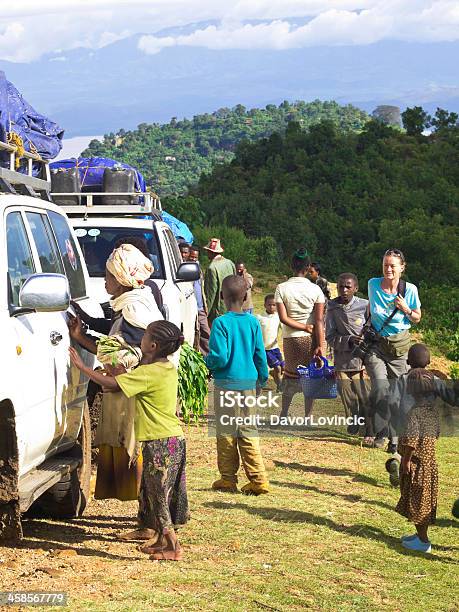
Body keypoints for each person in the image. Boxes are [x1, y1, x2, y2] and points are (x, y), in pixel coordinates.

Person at [70, 320, 188, 561]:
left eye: (144, 335)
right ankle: (159, 540)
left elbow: (114, 385)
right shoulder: (165, 367)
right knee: (152, 491)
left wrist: (82, 367)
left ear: (152, 345)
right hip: (173, 439)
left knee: (158, 496)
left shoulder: (147, 373)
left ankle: (173, 547)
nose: (140, 338)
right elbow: (126, 382)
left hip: (160, 443)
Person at [68, 244, 163, 510]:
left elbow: (119, 354)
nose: (106, 281)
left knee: (138, 456)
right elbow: (113, 329)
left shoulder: (134, 312)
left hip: (134, 397)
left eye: (110, 277)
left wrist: (80, 338)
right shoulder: (135, 300)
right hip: (138, 392)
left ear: (121, 281)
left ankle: (149, 519)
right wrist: (84, 320)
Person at [205, 275, 269, 495]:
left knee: (226, 431)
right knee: (248, 429)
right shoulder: (253, 322)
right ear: (245, 297)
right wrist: (262, 378)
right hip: (248, 383)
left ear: (222, 296)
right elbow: (260, 354)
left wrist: (207, 363)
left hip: (226, 385)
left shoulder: (221, 323)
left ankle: (228, 479)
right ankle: (258, 479)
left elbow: (220, 357)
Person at [364, 248, 421, 452]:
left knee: (397, 395)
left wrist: (405, 308)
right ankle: (380, 431)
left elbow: (417, 317)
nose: (388, 269)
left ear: (402, 268)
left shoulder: (410, 290)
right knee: (380, 388)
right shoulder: (372, 284)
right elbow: (370, 307)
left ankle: (394, 439)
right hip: (377, 345)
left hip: (399, 347)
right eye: (385, 265)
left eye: (392, 266)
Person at [274, 248, 326, 418]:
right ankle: (308, 416)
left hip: (291, 340)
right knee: (309, 377)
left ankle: (284, 413)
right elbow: (319, 321)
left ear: (291, 266)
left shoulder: (281, 288)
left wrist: (300, 328)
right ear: (308, 267)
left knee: (290, 377)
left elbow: (283, 318)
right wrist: (320, 345)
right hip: (310, 339)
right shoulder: (316, 290)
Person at [395, 369, 440, 553]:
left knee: (417, 504)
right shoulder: (432, 412)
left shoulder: (414, 413)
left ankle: (423, 541)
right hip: (430, 467)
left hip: (417, 465)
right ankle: (420, 536)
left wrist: (405, 461)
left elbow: (412, 440)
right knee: (424, 503)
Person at [326, 273, 371, 436]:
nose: (344, 290)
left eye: (348, 287)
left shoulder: (365, 306)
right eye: (340, 287)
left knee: (364, 395)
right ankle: (353, 418)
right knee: (346, 392)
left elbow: (372, 328)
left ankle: (369, 429)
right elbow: (330, 337)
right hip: (342, 359)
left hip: (362, 360)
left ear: (356, 289)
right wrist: (349, 339)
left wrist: (364, 340)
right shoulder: (332, 308)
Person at [203, 237, 236, 324]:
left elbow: (210, 293)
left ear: (211, 252)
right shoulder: (230, 263)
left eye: (207, 251)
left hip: (218, 311)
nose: (207, 253)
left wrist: (206, 312)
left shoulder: (212, 268)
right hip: (231, 307)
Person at [256, 294, 284, 392]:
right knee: (277, 367)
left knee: (281, 368)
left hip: (275, 348)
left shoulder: (279, 317)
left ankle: (278, 384)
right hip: (264, 349)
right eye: (269, 305)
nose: (271, 307)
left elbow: (284, 329)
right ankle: (279, 386)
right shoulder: (259, 317)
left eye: (274, 305)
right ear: (264, 305)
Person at [191, 246, 211, 355]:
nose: (194, 259)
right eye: (192, 257)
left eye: (196, 257)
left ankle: (208, 358)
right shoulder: (186, 269)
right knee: (195, 334)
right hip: (191, 307)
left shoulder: (198, 268)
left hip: (200, 307)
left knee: (206, 333)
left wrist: (205, 305)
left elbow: (201, 288)